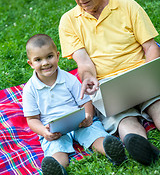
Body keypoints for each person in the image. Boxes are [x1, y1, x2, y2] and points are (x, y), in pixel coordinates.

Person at [59, 0, 160, 165]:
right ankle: (139, 146)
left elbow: (150, 47)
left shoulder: (127, 6)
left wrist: (151, 75)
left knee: (158, 105)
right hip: (107, 85)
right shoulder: (68, 21)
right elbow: (84, 63)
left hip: (140, 73)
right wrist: (88, 78)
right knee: (123, 120)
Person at [22, 34, 126, 175]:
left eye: (49, 56)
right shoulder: (30, 89)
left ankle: (113, 152)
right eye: (38, 60)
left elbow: (85, 101)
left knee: (94, 135)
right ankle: (57, 168)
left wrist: (88, 116)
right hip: (53, 129)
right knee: (57, 150)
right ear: (31, 63)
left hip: (78, 122)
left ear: (57, 55)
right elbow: (32, 119)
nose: (45, 62)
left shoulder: (69, 79)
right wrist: (44, 132)